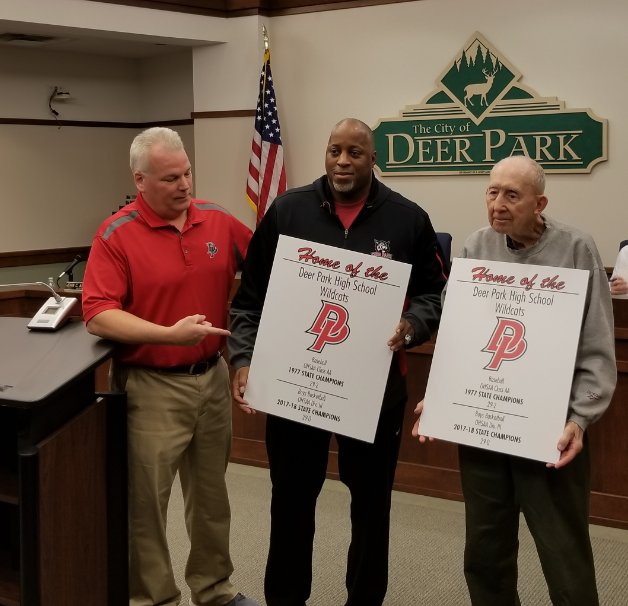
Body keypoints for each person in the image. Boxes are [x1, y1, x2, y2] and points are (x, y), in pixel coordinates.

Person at [228, 118, 448, 606]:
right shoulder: (287, 211)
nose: (342, 161)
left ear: (374, 160)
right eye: (334, 151)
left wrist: (412, 324)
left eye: (354, 152)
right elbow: (248, 301)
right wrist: (242, 358)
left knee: (371, 509)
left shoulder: (408, 219)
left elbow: (435, 293)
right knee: (289, 504)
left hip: (373, 392)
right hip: (295, 389)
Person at [413, 156, 616, 606]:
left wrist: (580, 419)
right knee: (485, 553)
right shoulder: (477, 245)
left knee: (564, 556)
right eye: (492, 191)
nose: (498, 204)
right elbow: (458, 332)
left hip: (550, 430)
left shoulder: (577, 248)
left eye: (512, 194)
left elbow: (598, 346)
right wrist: (442, 396)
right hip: (483, 426)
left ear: (539, 202)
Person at [82, 127, 259, 606]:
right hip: (151, 385)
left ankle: (214, 590)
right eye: (169, 178)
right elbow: (98, 314)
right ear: (140, 180)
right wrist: (168, 335)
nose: (184, 186)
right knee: (146, 503)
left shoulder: (219, 221)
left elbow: (273, 268)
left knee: (210, 498)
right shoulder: (115, 234)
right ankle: (152, 599)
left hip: (213, 378)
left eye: (187, 174)